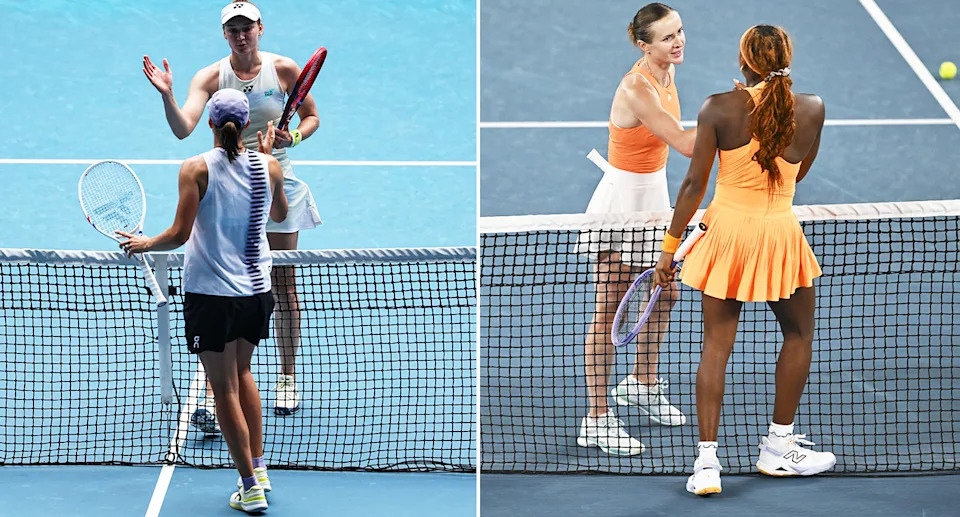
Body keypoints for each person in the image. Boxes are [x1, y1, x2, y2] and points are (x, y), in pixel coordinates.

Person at [653, 25, 836, 496]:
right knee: (797, 334)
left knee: (716, 345)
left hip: (727, 235)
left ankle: (707, 464)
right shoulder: (813, 107)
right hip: (779, 233)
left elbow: (693, 186)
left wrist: (670, 250)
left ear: (744, 61)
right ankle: (778, 447)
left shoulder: (719, 106)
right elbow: (798, 172)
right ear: (787, 58)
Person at [143, 0, 321, 426]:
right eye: (233, 29)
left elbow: (313, 117)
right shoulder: (209, 75)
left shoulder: (283, 70)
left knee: (282, 281)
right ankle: (214, 382)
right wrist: (168, 95)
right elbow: (184, 126)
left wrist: (291, 137)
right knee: (226, 280)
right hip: (226, 185)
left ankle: (287, 375)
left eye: (247, 28)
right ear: (225, 35)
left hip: (272, 178)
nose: (241, 35)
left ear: (261, 28)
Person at [119, 89, 287, 512]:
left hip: (212, 295)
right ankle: (259, 469)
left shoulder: (196, 168)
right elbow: (281, 216)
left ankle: (249, 487)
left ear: (211, 123)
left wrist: (144, 243)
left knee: (223, 386)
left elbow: (178, 234)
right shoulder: (269, 166)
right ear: (247, 124)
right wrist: (270, 161)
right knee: (245, 372)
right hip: (256, 293)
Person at [575, 2, 697, 457]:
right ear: (644, 45)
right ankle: (597, 418)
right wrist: (739, 119)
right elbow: (686, 143)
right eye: (667, 38)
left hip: (653, 200)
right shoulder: (637, 88)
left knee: (666, 293)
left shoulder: (667, 72)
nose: (678, 42)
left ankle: (642, 383)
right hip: (620, 207)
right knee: (611, 309)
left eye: (680, 32)